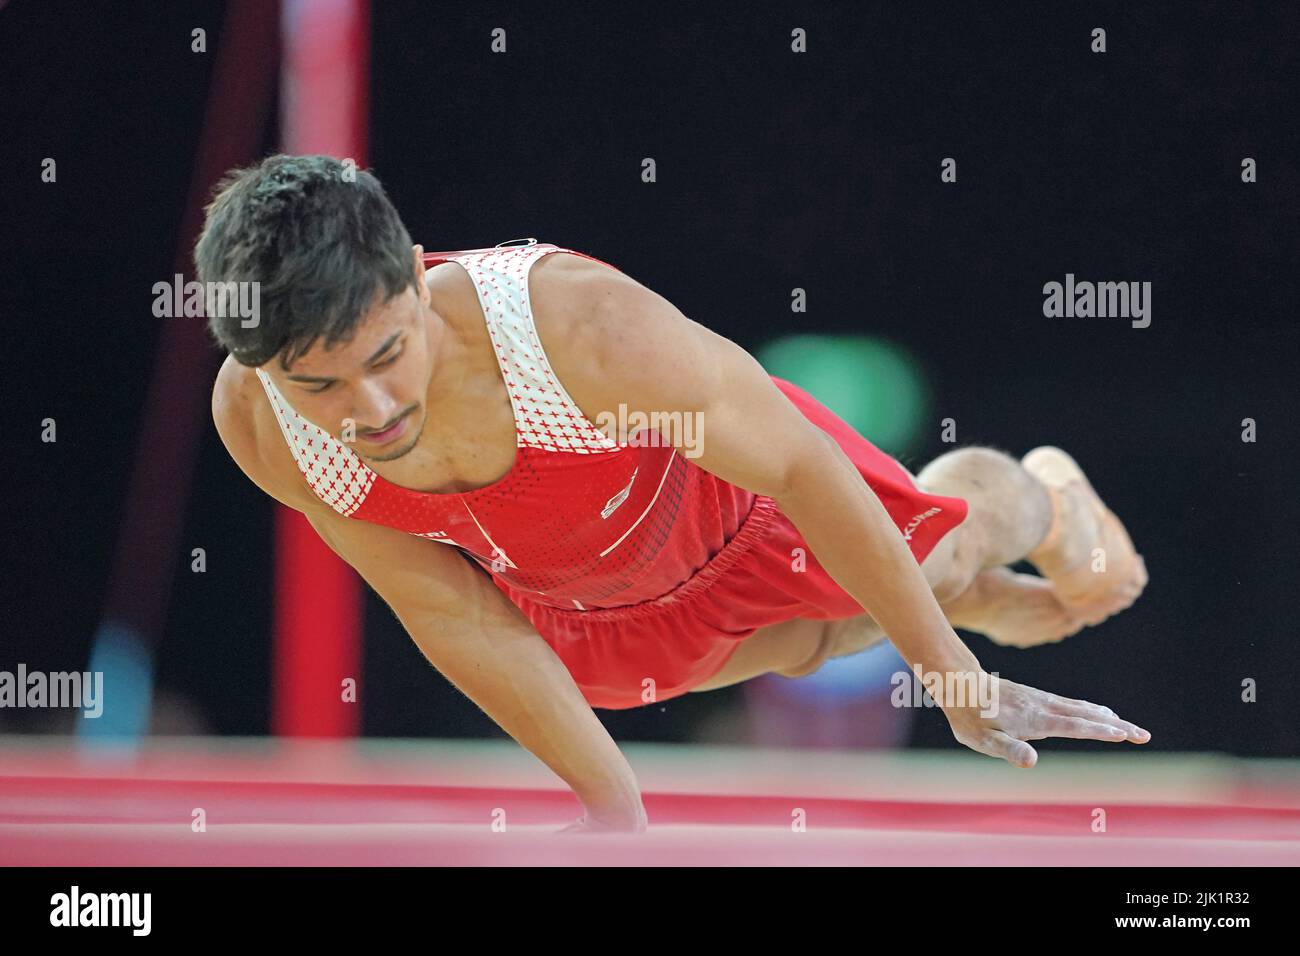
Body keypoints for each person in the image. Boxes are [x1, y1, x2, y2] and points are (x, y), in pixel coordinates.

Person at [202, 155, 1150, 832]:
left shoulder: (579, 329)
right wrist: (613, 811)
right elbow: (452, 611)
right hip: (591, 615)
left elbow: (798, 469)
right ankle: (956, 603)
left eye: (386, 355)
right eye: (317, 386)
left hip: (753, 515)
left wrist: (950, 678)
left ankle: (1033, 497)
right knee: (828, 638)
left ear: (415, 277)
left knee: (933, 561)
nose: (371, 412)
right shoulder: (261, 427)